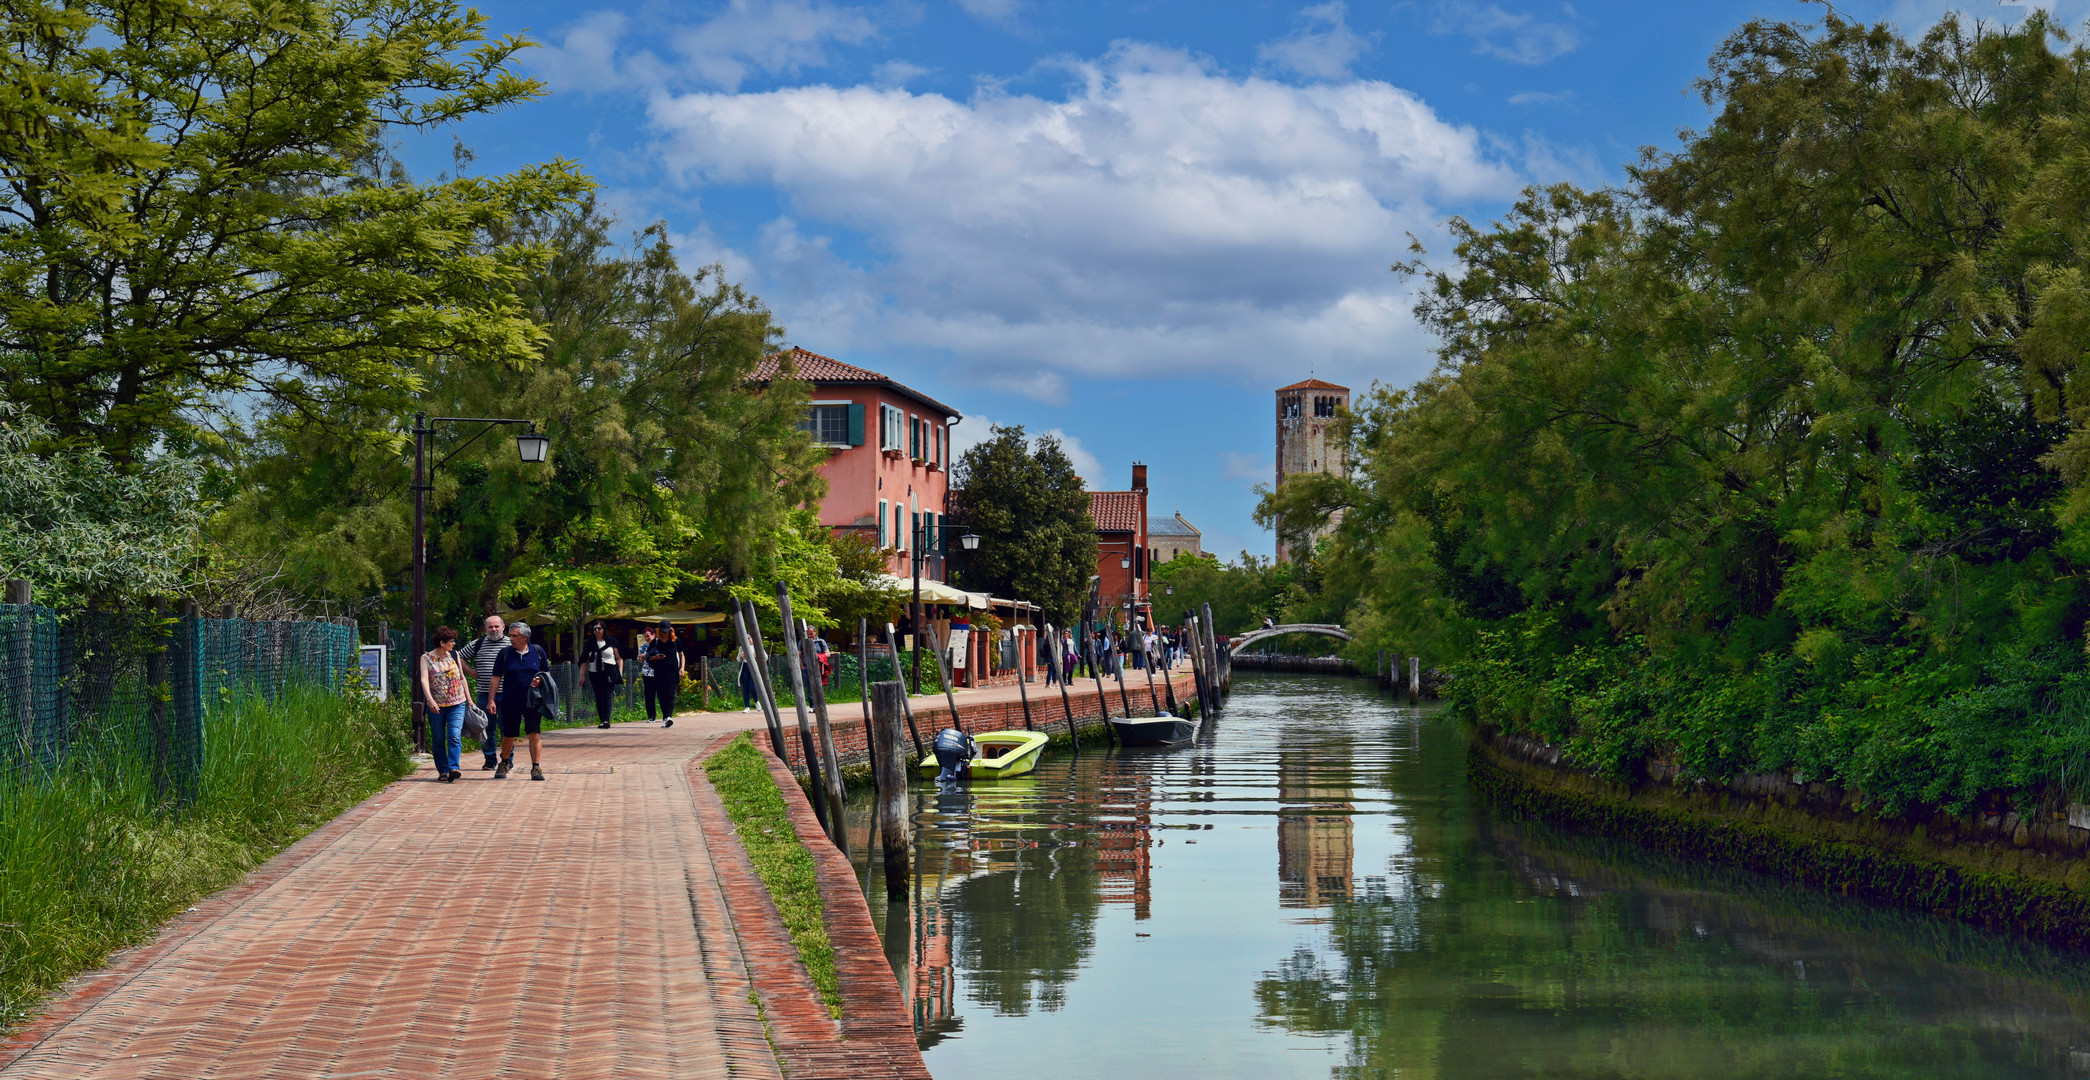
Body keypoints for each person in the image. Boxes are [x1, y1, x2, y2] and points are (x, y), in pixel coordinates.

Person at [489, 622, 551, 780]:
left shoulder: (537, 651)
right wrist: (491, 700)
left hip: (533, 701)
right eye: (510, 635)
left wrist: (540, 680)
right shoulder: (504, 653)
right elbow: (496, 678)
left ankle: (536, 768)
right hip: (510, 700)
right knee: (509, 735)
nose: (511, 638)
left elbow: (546, 673)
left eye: (515, 635)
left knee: (534, 734)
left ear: (525, 637)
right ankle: (504, 763)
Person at [457, 615, 508, 770]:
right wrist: (470, 671)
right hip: (484, 694)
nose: (494, 630)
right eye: (490, 627)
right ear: (486, 628)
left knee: (507, 728)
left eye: (496, 626)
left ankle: (507, 760)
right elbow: (458, 656)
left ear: (503, 627)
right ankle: (490, 760)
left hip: (507, 693)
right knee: (485, 728)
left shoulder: (510, 643)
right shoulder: (478, 644)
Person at [419, 626, 469, 783]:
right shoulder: (426, 658)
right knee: (438, 739)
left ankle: (454, 767)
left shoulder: (454, 654)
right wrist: (430, 700)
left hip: (457, 703)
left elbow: (461, 677)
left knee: (454, 735)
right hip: (437, 705)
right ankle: (443, 770)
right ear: (442, 643)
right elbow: (424, 680)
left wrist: (469, 698)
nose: (453, 644)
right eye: (451, 641)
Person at [641, 621, 684, 727]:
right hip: (659, 671)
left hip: (672, 671)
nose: (664, 634)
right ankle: (665, 716)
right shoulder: (655, 642)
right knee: (661, 695)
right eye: (662, 631)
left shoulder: (675, 641)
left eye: (666, 631)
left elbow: (682, 655)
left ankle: (669, 716)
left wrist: (682, 668)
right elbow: (648, 657)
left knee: (670, 694)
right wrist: (656, 657)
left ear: (670, 630)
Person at [581, 621, 621, 729]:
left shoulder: (612, 641)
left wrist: (619, 673)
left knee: (607, 695)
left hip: (609, 671)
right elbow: (585, 660)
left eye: (599, 628)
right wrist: (582, 676)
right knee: (598, 696)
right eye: (594, 629)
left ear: (604, 629)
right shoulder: (590, 643)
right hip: (594, 672)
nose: (596, 631)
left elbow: (619, 658)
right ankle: (602, 720)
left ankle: (606, 720)